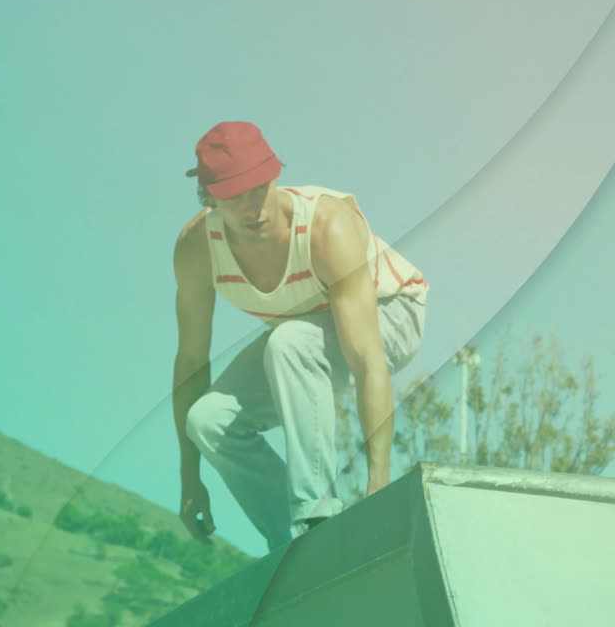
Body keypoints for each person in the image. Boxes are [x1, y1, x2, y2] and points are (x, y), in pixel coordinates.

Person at [171, 121, 428, 552]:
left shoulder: (328, 226)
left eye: (260, 189)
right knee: (208, 420)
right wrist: (190, 478)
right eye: (235, 197)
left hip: (391, 312)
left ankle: (316, 517)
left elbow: (368, 363)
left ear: (274, 177)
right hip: (304, 330)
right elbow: (190, 363)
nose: (254, 208)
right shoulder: (197, 249)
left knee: (289, 342)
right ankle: (291, 546)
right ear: (210, 198)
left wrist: (378, 484)